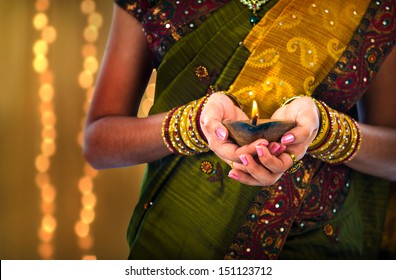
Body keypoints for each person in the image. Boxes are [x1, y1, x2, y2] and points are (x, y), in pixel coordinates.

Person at [83, 0, 396, 259]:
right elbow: (99, 142)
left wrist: (325, 129)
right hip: (182, 242)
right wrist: (194, 123)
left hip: (318, 247)